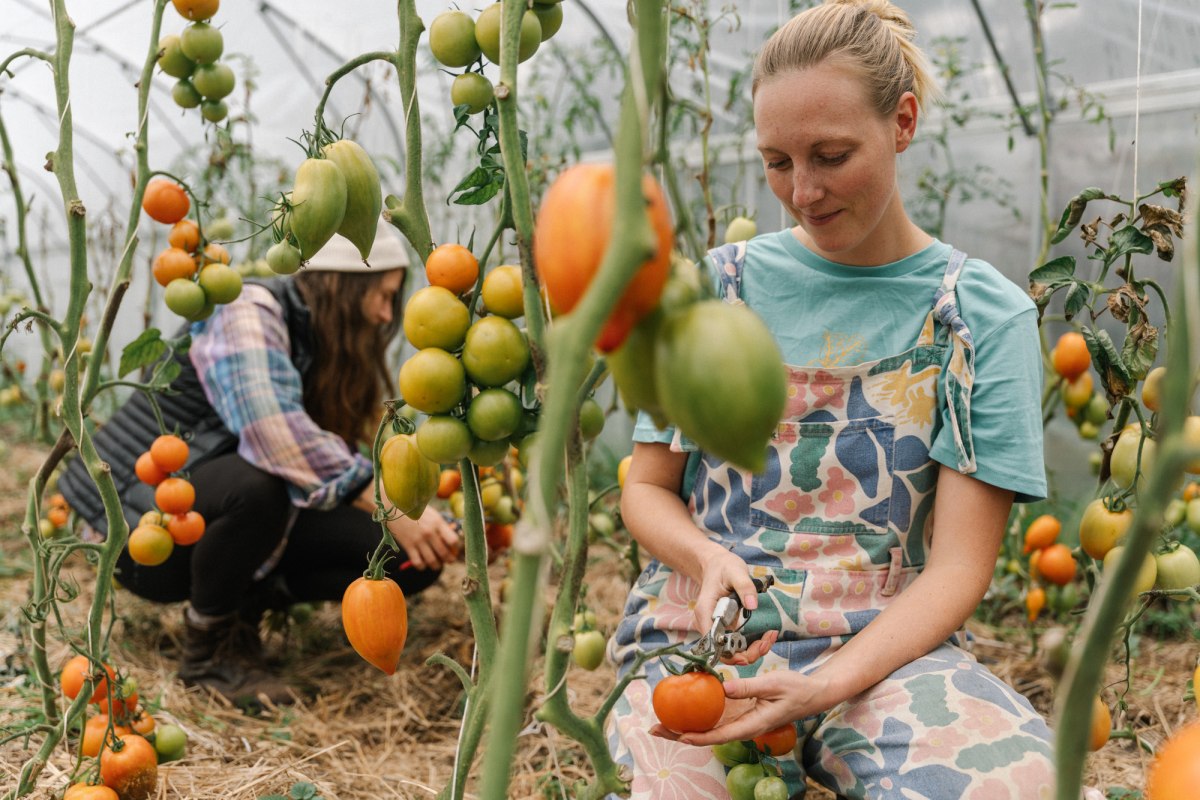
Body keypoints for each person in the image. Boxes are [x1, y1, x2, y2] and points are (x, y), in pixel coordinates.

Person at [607, 1, 1057, 797]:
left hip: (888, 651)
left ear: (903, 123)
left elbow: (956, 567)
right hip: (706, 645)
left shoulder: (980, 317)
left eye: (831, 155)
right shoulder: (715, 290)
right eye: (777, 162)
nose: (803, 191)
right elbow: (646, 489)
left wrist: (831, 681)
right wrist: (706, 557)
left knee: (1014, 783)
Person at [60, 225, 460, 707]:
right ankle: (208, 655)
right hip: (135, 527)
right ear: (343, 285)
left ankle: (245, 606)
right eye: (384, 296)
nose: (384, 315)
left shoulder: (315, 343)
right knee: (257, 484)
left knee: (405, 556)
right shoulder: (246, 309)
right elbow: (275, 435)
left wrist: (435, 525)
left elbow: (325, 455)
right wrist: (394, 505)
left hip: (219, 519)